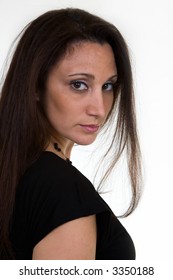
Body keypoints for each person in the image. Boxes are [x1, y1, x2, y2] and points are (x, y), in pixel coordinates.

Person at [0, 8, 142, 260]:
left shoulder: (16, 170)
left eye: (107, 85)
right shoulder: (63, 193)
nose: (99, 108)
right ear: (35, 85)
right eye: (79, 84)